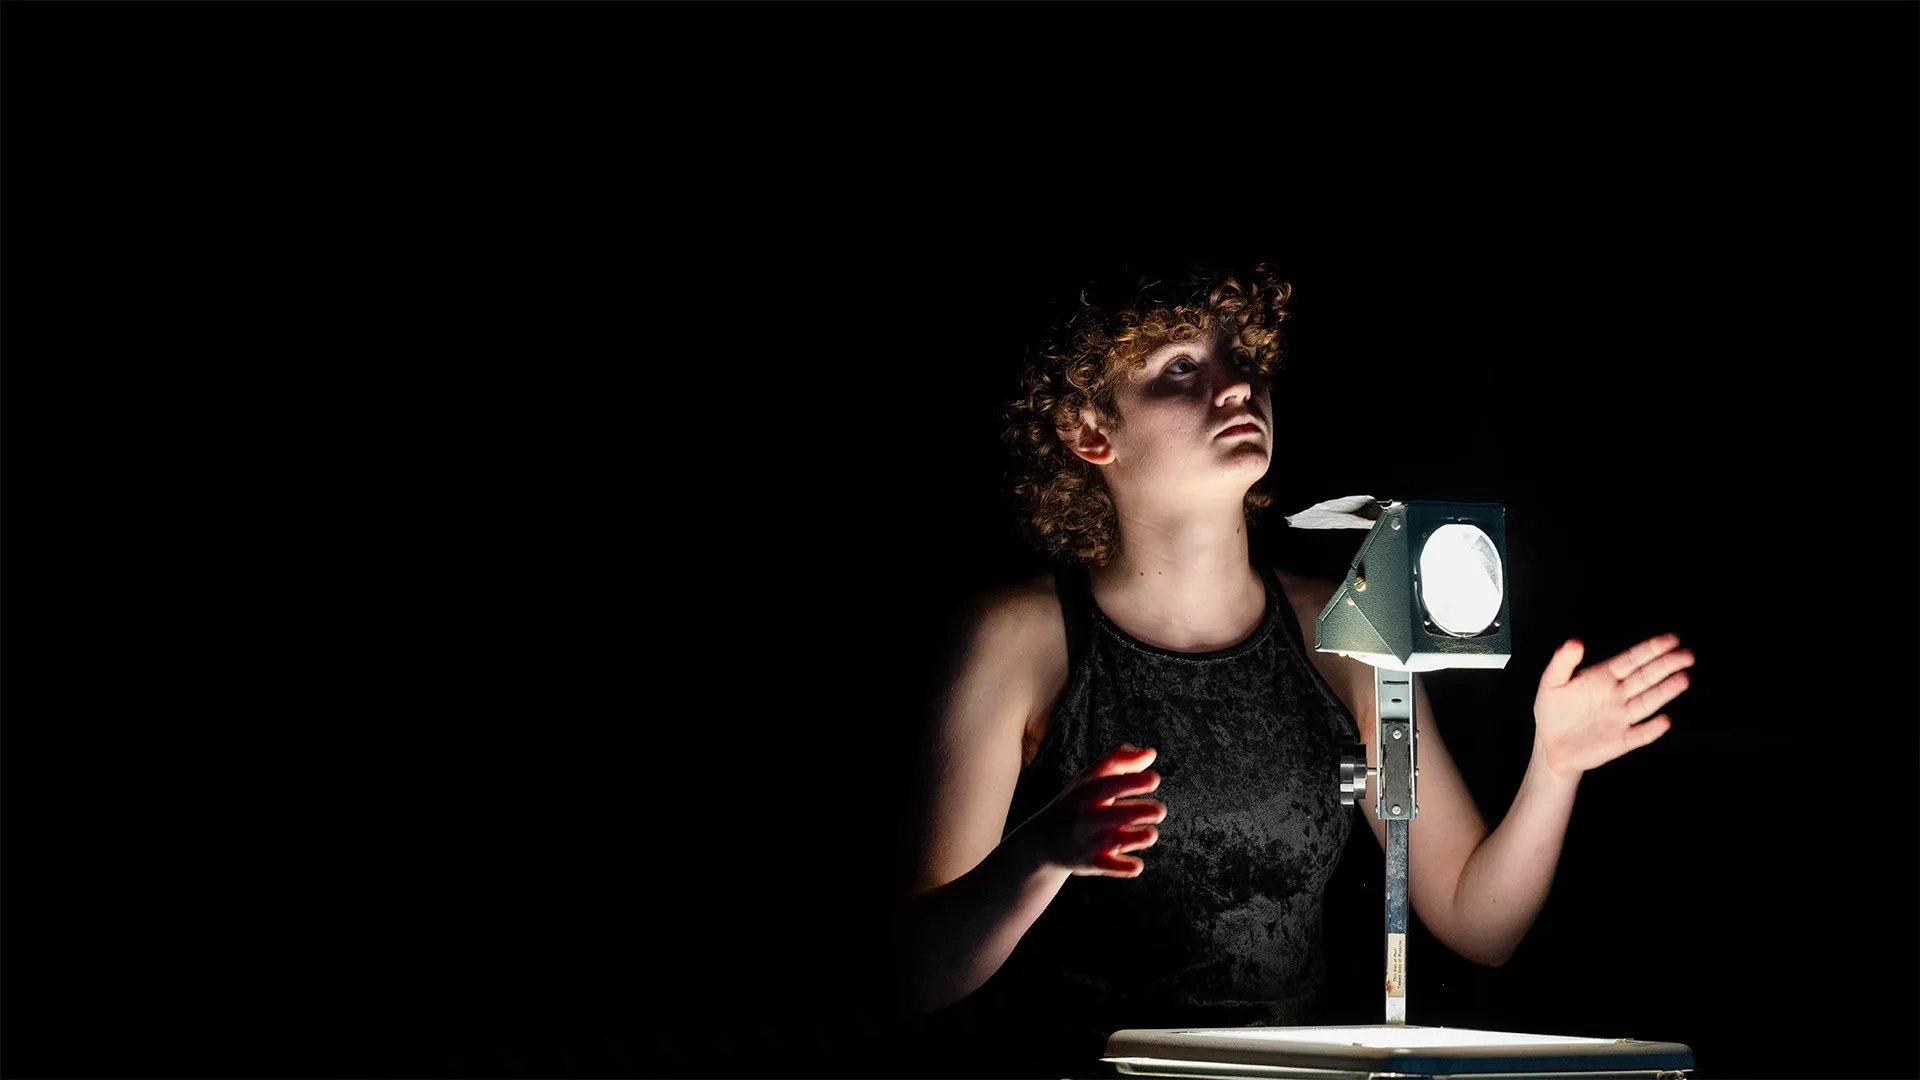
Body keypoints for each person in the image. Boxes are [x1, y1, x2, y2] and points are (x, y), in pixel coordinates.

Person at [888, 259, 1695, 1077]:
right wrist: (1041, 852)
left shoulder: (1342, 626)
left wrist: (1553, 767)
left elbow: (1476, 921)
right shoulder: (1018, 638)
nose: (1236, 386)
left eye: (1242, 358)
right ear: (1089, 430)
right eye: (1180, 368)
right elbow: (922, 974)